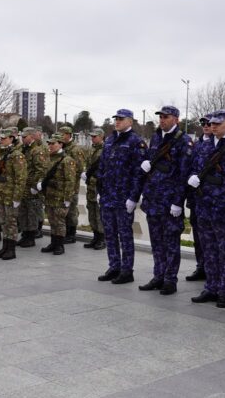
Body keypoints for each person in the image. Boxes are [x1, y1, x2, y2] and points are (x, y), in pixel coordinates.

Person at [188, 110, 225, 308]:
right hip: (205, 206)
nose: (212, 126)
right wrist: (194, 177)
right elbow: (196, 169)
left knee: (224, 252)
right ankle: (210, 287)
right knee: (209, 250)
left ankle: (223, 290)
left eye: (217, 123)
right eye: (211, 123)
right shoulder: (204, 146)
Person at [137, 106, 192, 295]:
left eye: (166, 117)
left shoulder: (183, 141)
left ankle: (170, 279)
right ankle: (158, 275)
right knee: (157, 241)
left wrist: (178, 201)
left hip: (170, 202)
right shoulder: (156, 137)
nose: (162, 120)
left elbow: (184, 173)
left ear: (176, 119)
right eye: (160, 117)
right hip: (154, 199)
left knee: (171, 242)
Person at [96, 109, 146, 284]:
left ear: (130, 121)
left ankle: (127, 270)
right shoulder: (109, 140)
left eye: (121, 119)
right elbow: (102, 167)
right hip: (108, 196)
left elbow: (138, 173)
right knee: (109, 234)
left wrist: (133, 197)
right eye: (116, 119)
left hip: (124, 197)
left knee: (125, 235)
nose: (117, 121)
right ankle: (114, 266)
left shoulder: (136, 142)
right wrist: (99, 190)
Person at [0, 128, 27, 259]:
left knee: (11, 222)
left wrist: (17, 197)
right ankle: (4, 247)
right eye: (1, 138)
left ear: (12, 138)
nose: (2, 140)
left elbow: (21, 178)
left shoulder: (17, 155)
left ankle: (11, 249)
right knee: (3, 222)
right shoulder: (0, 152)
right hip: (0, 193)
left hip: (10, 195)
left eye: (4, 138)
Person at [185, 116, 214, 282]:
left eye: (209, 124)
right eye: (203, 124)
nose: (206, 126)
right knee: (198, 235)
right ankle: (200, 266)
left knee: (212, 238)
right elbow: (190, 167)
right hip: (197, 197)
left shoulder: (220, 146)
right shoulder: (197, 145)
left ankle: (212, 270)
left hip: (212, 199)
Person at [39, 134, 78, 255]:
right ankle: (53, 242)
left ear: (61, 144)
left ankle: (60, 245)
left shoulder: (67, 160)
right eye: (49, 143)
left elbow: (70, 181)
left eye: (53, 143)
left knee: (60, 222)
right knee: (52, 220)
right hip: (50, 195)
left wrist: (67, 198)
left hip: (60, 197)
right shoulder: (49, 158)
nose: (50, 146)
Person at [18, 127, 49, 247]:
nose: (22, 139)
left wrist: (35, 186)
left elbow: (41, 170)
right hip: (22, 186)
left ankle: (30, 237)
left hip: (31, 187)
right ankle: (25, 235)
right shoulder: (23, 149)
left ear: (31, 136)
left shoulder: (37, 151)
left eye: (24, 137)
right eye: (22, 137)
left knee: (31, 213)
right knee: (23, 213)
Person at [57, 126, 85, 243]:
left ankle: (71, 234)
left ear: (69, 135)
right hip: (61, 186)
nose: (61, 136)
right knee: (63, 210)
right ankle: (65, 232)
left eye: (63, 134)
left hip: (72, 185)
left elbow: (78, 168)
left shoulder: (75, 149)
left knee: (71, 210)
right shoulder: (62, 147)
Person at [82, 128, 106, 250]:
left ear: (101, 137)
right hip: (90, 185)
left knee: (98, 213)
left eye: (95, 136)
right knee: (91, 211)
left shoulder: (105, 150)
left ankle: (102, 238)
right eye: (92, 136)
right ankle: (95, 237)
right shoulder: (92, 149)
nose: (93, 138)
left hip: (98, 185)